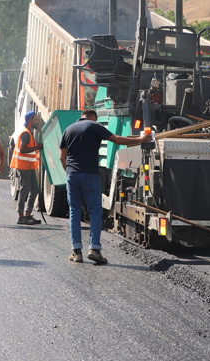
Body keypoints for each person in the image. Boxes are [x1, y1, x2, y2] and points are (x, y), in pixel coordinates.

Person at [60, 109, 152, 264]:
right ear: (93, 117)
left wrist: (69, 172)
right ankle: (94, 249)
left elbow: (62, 156)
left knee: (74, 212)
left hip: (72, 175)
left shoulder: (68, 130)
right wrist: (142, 139)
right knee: (95, 211)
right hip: (90, 175)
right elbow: (117, 140)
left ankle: (76, 252)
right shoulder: (94, 126)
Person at [12, 111, 44, 225]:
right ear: (30, 121)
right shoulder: (25, 133)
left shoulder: (28, 132)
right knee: (24, 190)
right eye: (36, 120)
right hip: (24, 167)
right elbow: (22, 149)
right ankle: (21, 217)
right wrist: (37, 147)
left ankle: (27, 214)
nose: (38, 122)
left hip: (29, 166)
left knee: (34, 189)